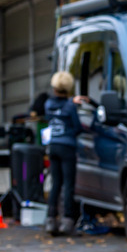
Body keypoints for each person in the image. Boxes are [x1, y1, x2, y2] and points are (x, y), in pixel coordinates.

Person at [42, 71, 88, 236]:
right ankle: (67, 221)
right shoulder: (70, 106)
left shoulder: (48, 104)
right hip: (67, 147)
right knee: (68, 185)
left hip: (53, 146)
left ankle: (50, 219)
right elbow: (77, 127)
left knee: (56, 183)